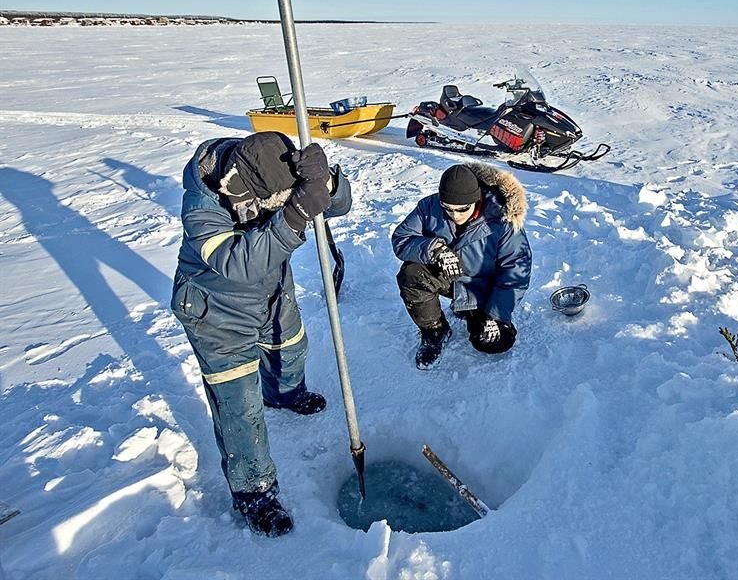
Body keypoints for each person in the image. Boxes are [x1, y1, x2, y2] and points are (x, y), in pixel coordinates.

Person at [170, 131, 351, 537]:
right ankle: (254, 491)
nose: (282, 207)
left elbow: (339, 205)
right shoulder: (203, 203)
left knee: (292, 347)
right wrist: (294, 215)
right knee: (240, 408)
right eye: (275, 205)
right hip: (216, 312)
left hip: (271, 289)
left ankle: (284, 392)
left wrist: (326, 182)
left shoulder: (272, 160)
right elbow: (238, 265)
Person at [391, 163, 532, 368]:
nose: (455, 215)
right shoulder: (429, 207)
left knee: (494, 342)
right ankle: (435, 330)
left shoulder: (503, 220)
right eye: (447, 209)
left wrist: (494, 314)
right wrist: (434, 249)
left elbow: (516, 272)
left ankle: (477, 313)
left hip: (482, 288)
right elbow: (401, 239)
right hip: (448, 276)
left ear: (477, 200)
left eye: (462, 209)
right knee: (412, 274)